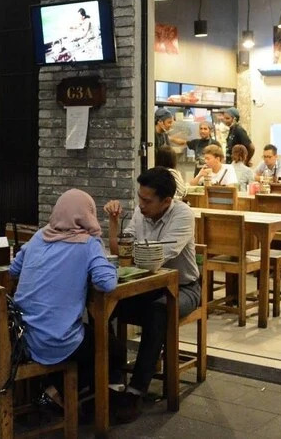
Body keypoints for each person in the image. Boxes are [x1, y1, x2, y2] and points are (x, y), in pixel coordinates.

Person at [103, 168, 200, 424]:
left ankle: (136, 391)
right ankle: (112, 379)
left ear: (166, 201)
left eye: (147, 200)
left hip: (183, 288)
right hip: (146, 287)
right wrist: (114, 223)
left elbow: (158, 257)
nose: (141, 205)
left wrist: (129, 250)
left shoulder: (182, 214)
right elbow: (121, 252)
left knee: (158, 311)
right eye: (139, 198)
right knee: (101, 305)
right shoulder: (141, 212)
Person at [10, 189, 117, 407]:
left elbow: (13, 269)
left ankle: (51, 387)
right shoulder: (88, 244)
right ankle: (57, 391)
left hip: (22, 336)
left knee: (90, 337)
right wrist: (106, 260)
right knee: (113, 350)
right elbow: (106, 283)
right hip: (55, 340)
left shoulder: (39, 236)